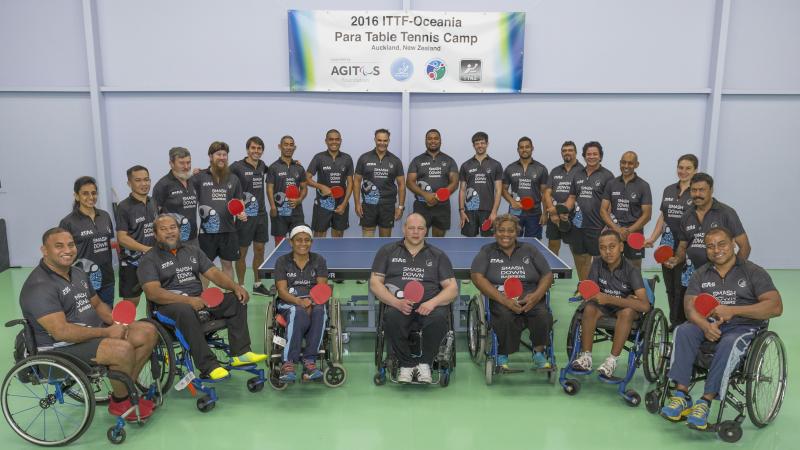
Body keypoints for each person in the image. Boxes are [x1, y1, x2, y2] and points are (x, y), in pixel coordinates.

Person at [20, 228, 159, 421]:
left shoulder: (77, 272)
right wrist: (106, 332)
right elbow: (61, 332)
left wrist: (117, 323)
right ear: (44, 250)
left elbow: (97, 304)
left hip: (90, 336)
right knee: (121, 349)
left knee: (147, 332)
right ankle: (121, 402)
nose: (67, 250)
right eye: (58, 246)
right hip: (59, 349)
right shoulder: (39, 286)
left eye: (70, 245)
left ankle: (127, 389)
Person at [660, 227, 782, 430]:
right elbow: (690, 307)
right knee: (683, 330)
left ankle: (705, 401)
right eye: (710, 246)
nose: (717, 250)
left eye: (722, 244)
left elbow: (775, 306)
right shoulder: (701, 273)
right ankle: (681, 395)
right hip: (708, 324)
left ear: (733, 243)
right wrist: (704, 325)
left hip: (742, 327)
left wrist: (733, 311)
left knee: (729, 342)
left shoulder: (753, 272)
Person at [137, 214, 266, 381]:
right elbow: (153, 293)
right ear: (155, 235)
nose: (170, 232)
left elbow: (213, 273)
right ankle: (209, 366)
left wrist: (235, 287)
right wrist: (189, 301)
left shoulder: (192, 250)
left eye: (173, 228)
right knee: (185, 310)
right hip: (167, 308)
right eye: (163, 229)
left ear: (179, 230)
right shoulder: (149, 259)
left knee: (236, 300)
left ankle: (240, 353)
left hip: (199, 301)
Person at [369, 213, 458, 383]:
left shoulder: (437, 255)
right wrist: (395, 302)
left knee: (439, 319)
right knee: (392, 317)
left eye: (420, 228)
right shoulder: (387, 251)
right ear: (404, 229)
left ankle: (425, 364)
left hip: (429, 307)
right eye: (411, 228)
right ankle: (407, 365)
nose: (415, 232)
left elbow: (452, 288)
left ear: (426, 231)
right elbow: (375, 283)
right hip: (398, 305)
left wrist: (432, 303)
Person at [470, 214, 554, 370]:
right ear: (495, 232)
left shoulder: (530, 249)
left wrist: (536, 296)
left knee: (543, 315)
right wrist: (504, 300)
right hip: (501, 297)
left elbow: (547, 275)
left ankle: (539, 352)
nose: (506, 235)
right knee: (504, 316)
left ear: (517, 232)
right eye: (501, 230)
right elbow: (476, 276)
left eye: (510, 231)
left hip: (530, 295)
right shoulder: (487, 251)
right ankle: (503, 353)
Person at [570, 229, 650, 378]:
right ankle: (586, 357)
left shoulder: (632, 269)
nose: (607, 251)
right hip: (604, 307)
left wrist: (610, 299)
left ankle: (612, 360)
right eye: (602, 248)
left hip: (623, 308)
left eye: (612, 246)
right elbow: (591, 290)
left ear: (621, 247)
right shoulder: (597, 263)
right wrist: (589, 294)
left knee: (627, 312)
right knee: (589, 309)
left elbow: (645, 306)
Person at [664, 173, 750, 289]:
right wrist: (677, 259)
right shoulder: (687, 215)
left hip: (718, 277)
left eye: (702, 190)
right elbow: (683, 246)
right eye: (694, 190)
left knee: (716, 308)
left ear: (711, 190)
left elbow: (745, 247)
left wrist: (733, 272)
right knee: (688, 306)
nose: (697, 194)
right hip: (691, 276)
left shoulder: (726, 213)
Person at [645, 154, 698, 329]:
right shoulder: (669, 190)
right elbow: (663, 217)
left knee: (682, 288)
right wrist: (653, 238)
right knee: (669, 288)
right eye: (680, 167)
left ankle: (682, 323)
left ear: (695, 170)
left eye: (688, 168)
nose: (683, 171)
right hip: (667, 245)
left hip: (687, 248)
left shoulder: (697, 192)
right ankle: (674, 320)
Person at [273, 225, 330, 382]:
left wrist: (310, 302)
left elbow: (321, 288)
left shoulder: (319, 260)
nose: (303, 243)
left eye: (307, 240)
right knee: (297, 312)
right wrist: (299, 301)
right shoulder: (282, 261)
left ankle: (310, 361)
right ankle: (288, 363)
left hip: (313, 302)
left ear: (311, 242)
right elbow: (282, 291)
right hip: (288, 304)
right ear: (291, 242)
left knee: (320, 311)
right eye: (298, 240)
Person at [193, 141, 247, 280]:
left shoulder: (233, 179)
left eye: (225, 155)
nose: (222, 157)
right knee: (205, 268)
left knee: (227, 265)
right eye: (218, 154)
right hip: (206, 233)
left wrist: (241, 212)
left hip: (228, 231)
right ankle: (203, 300)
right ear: (211, 156)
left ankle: (229, 297)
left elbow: (239, 201)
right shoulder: (199, 177)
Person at [59, 176, 116, 308]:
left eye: (94, 193)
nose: (91, 197)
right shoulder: (68, 222)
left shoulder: (105, 216)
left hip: (107, 279)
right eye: (85, 193)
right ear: (76, 196)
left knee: (107, 316)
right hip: (82, 281)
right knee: (88, 318)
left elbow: (109, 243)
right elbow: (63, 253)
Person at [565, 141, 615, 281]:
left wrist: (608, 225)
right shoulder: (577, 174)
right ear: (584, 156)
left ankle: (602, 290)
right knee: (580, 259)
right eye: (588, 154)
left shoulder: (607, 175)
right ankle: (583, 288)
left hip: (598, 226)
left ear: (600, 156)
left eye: (595, 154)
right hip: (578, 225)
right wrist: (563, 210)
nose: (591, 157)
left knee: (601, 261)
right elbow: (572, 197)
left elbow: (610, 202)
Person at [230, 136, 270, 295]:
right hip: (244, 216)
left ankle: (257, 284)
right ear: (248, 149)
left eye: (259, 148)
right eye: (253, 148)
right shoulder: (237, 166)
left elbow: (275, 168)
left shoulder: (262, 165)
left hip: (261, 215)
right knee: (242, 252)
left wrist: (295, 163)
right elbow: (220, 171)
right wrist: (203, 171)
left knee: (259, 249)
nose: (256, 151)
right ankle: (241, 285)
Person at [600, 150, 652, 268]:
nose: (626, 166)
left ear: (636, 165)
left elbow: (647, 215)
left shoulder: (644, 186)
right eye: (623, 163)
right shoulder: (611, 184)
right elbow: (603, 211)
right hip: (614, 231)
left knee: (634, 268)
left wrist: (629, 231)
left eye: (630, 163)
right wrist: (618, 230)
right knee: (610, 265)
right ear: (620, 163)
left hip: (635, 234)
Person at [116, 165, 157, 305]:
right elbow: (122, 238)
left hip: (154, 262)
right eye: (138, 180)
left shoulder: (153, 202)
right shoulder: (123, 207)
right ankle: (127, 328)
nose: (144, 184)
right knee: (130, 304)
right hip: (131, 264)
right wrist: (146, 249)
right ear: (129, 183)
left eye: (146, 180)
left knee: (155, 300)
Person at [406, 129, 459, 237]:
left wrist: (437, 197)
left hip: (442, 206)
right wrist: (426, 195)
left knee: (438, 241)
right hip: (421, 205)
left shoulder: (449, 160)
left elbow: (454, 182)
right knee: (419, 238)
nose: (433, 141)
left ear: (440, 141)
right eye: (429, 138)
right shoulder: (417, 160)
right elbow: (409, 182)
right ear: (425, 141)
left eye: (436, 138)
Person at [354, 129, 405, 237]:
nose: (382, 143)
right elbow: (357, 181)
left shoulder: (395, 160)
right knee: (367, 241)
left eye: (385, 140)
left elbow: (401, 184)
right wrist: (357, 203)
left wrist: (400, 207)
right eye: (379, 140)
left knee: (384, 240)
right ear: (375, 140)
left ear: (389, 141)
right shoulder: (364, 158)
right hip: (368, 204)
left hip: (387, 205)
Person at [306, 129, 354, 238]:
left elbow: (350, 183)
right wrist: (321, 186)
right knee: (319, 235)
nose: (334, 142)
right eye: (331, 139)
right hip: (322, 204)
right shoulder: (319, 157)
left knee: (338, 235)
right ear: (326, 141)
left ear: (341, 141)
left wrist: (344, 204)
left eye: (337, 139)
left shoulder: (347, 158)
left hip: (341, 203)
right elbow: (307, 178)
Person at [502, 136, 550, 238]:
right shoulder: (510, 168)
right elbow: (503, 189)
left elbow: (545, 193)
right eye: (521, 147)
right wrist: (512, 202)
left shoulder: (541, 169)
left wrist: (545, 213)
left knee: (533, 245)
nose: (524, 149)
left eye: (527, 147)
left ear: (532, 148)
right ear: (518, 150)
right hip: (515, 214)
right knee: (513, 242)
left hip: (534, 214)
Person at [458, 131, 503, 237]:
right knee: (468, 243)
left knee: (489, 243)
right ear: (473, 145)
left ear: (487, 144)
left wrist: (494, 212)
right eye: (477, 143)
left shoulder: (496, 165)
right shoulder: (465, 165)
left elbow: (498, 190)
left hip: (488, 211)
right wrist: (461, 211)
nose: (480, 146)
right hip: (469, 210)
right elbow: (462, 190)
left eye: (482, 143)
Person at [153, 146, 199, 246]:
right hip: (172, 241)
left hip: (193, 239)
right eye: (181, 163)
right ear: (171, 164)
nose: (186, 166)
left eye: (188, 162)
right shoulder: (162, 185)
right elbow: (155, 216)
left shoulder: (193, 181)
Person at [544, 141, 583, 255]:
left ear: (576, 152)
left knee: (576, 249)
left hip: (574, 215)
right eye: (564, 150)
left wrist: (562, 210)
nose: (567, 153)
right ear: (561, 153)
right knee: (553, 245)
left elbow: (579, 194)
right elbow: (547, 192)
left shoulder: (582, 170)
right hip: (554, 215)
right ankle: (553, 272)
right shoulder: (555, 170)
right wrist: (552, 212)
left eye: (570, 150)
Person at [267, 135, 307, 246]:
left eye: (291, 145)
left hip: (297, 213)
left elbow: (304, 188)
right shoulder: (273, 167)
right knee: (279, 244)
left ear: (294, 147)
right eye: (286, 144)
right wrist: (273, 207)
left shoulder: (299, 168)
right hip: (279, 214)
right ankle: (280, 263)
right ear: (280, 147)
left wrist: (299, 199)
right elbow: (269, 188)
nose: (289, 147)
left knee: (299, 242)